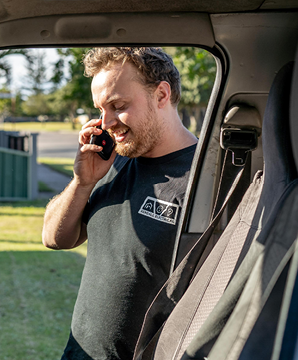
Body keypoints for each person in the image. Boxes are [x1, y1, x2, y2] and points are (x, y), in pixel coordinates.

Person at [42, 47, 198, 360]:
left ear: (161, 95)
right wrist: (82, 182)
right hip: (78, 352)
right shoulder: (111, 159)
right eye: (101, 109)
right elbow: (54, 238)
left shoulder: (203, 179)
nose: (107, 122)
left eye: (118, 105)